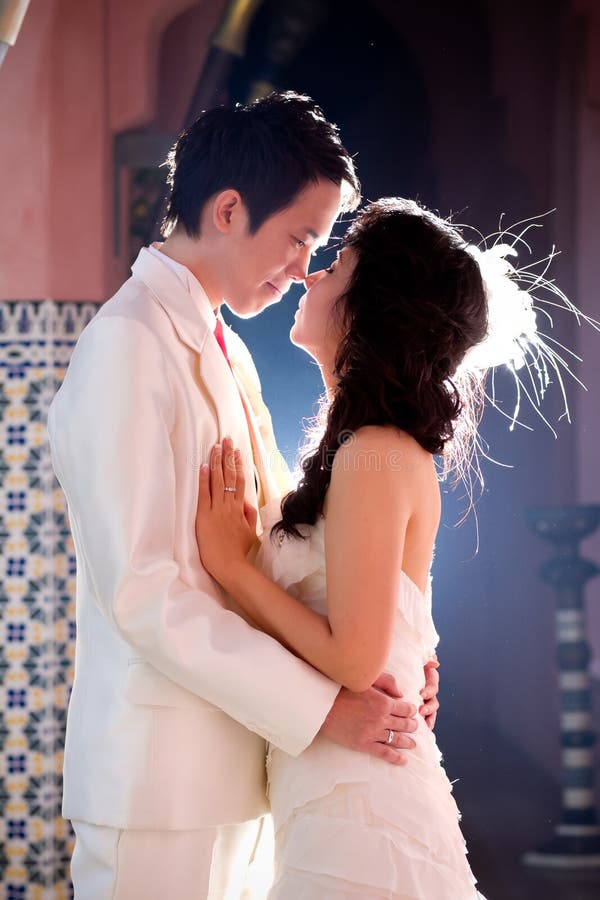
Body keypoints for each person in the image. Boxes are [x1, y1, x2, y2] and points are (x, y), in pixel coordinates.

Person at [47, 95, 440, 899]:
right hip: (159, 786)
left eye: (317, 250)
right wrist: (322, 710)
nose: (301, 269)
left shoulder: (228, 350)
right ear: (228, 210)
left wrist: (394, 653)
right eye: (299, 238)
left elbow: (271, 552)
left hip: (243, 767)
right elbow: (144, 592)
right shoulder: (127, 343)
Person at [195, 197, 515, 898]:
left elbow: (355, 659)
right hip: (338, 791)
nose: (311, 273)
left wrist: (230, 566)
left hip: (361, 810)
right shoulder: (363, 449)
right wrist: (419, 663)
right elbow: (401, 626)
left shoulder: (373, 452)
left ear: (370, 309)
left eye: (336, 264)